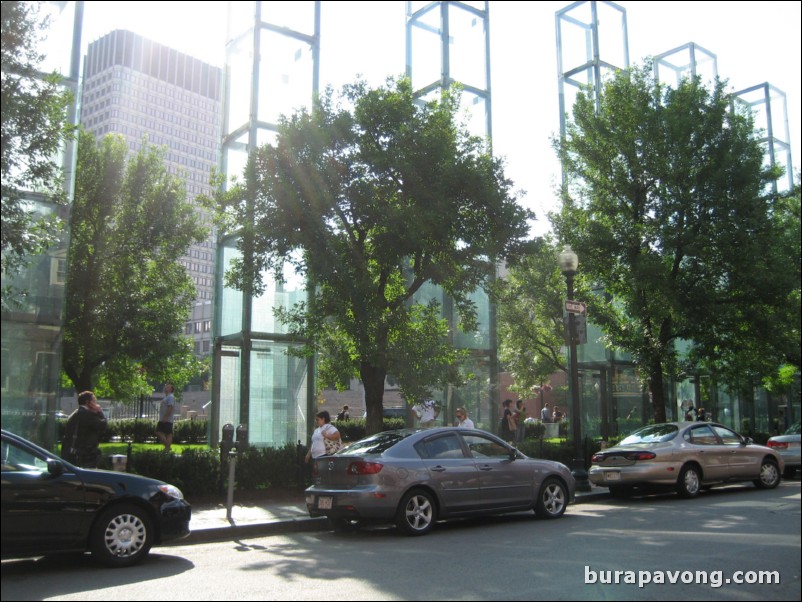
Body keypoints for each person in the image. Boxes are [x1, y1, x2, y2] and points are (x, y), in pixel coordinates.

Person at [61, 391, 107, 468]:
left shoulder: (75, 414)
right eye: (94, 401)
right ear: (88, 402)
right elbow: (103, 425)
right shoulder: (87, 414)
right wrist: (100, 412)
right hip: (86, 455)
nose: (96, 404)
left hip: (74, 453)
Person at [156, 383, 176, 452]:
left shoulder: (170, 397)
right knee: (159, 432)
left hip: (167, 419)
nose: (166, 388)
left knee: (168, 434)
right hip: (163, 419)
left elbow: (170, 407)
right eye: (166, 387)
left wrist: (166, 417)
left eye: (168, 387)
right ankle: (168, 447)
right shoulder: (166, 397)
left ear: (171, 389)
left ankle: (167, 448)